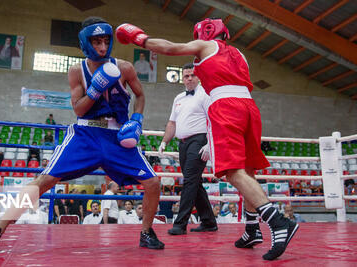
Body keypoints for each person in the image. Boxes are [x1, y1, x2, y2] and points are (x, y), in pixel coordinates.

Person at [0, 16, 164, 254]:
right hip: (85, 133)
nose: (103, 47)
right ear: (85, 43)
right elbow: (78, 109)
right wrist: (95, 89)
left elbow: (140, 95)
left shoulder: (125, 67)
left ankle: (146, 232)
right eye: (97, 42)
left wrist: (137, 119)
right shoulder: (77, 71)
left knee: (153, 182)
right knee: (44, 181)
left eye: (106, 41)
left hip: (117, 135)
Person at [116, 18, 298, 260]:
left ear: (203, 34)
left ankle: (277, 221)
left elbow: (170, 48)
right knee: (248, 170)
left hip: (225, 106)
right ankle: (252, 230)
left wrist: (140, 38)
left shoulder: (206, 46)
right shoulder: (239, 54)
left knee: (233, 171)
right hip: (250, 107)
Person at [158, 62, 216, 235]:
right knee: (195, 182)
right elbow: (172, 122)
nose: (189, 78)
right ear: (182, 79)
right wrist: (164, 141)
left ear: (198, 77)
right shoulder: (178, 98)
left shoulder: (205, 94)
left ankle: (180, 223)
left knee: (190, 180)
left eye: (192, 75)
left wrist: (209, 144)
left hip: (199, 141)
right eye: (186, 76)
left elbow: (214, 119)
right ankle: (209, 221)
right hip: (182, 143)